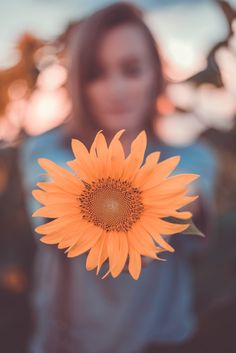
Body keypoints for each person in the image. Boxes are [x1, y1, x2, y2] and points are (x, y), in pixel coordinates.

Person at [20, 3, 217, 353]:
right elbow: (49, 203)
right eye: (97, 73)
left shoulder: (192, 157)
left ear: (155, 74)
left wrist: (161, 203)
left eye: (131, 69)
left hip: (160, 337)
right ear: (79, 83)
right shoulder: (46, 150)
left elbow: (191, 195)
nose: (116, 89)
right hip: (72, 341)